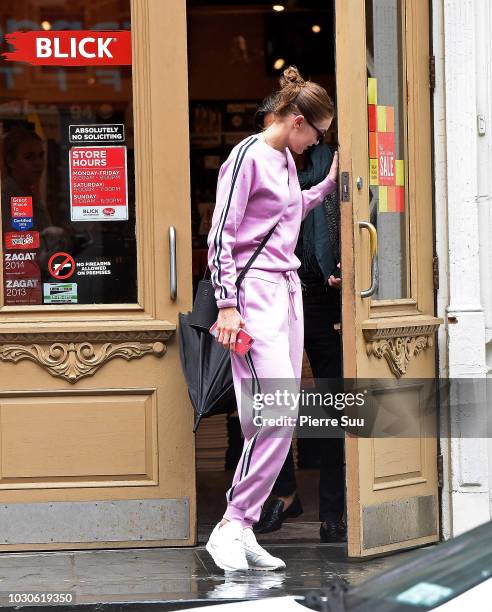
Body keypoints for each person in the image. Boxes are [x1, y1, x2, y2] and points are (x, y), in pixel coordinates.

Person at [206, 66, 338, 572]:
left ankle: (243, 522)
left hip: (285, 290)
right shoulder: (247, 157)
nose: (316, 144)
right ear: (298, 121)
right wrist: (226, 305)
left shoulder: (284, 158)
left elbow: (285, 213)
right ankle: (233, 523)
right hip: (251, 292)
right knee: (271, 413)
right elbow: (222, 232)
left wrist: (325, 187)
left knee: (278, 416)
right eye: (317, 134)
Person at [252, 94, 346, 544]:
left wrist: (349, 267)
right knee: (264, 402)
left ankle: (335, 511)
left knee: (328, 406)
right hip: (275, 295)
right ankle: (282, 495)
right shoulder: (266, 161)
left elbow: (363, 211)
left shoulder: (328, 158)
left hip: (323, 300)